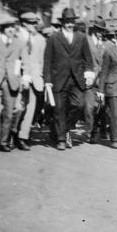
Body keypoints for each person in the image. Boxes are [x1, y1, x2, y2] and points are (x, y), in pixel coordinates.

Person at [43, 8, 94, 151]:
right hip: (59, 79)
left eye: (72, 22)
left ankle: (63, 129)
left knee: (79, 105)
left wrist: (89, 74)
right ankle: (61, 140)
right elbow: (47, 61)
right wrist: (47, 80)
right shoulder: (54, 38)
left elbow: (88, 59)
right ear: (63, 23)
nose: (70, 24)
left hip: (76, 79)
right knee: (59, 109)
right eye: (67, 22)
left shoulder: (82, 37)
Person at [11, 13, 46, 151]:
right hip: (19, 78)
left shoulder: (40, 39)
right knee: (18, 108)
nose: (34, 26)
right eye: (31, 23)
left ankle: (22, 137)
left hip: (35, 78)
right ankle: (10, 132)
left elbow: (42, 60)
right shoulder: (16, 37)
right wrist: (18, 76)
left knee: (31, 108)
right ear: (24, 24)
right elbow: (13, 59)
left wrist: (41, 76)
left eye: (35, 23)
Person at [0, 16, 24, 152]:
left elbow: (22, 61)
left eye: (13, 27)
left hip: (11, 81)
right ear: (3, 29)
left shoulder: (18, 43)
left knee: (9, 113)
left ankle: (4, 140)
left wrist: (19, 78)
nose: (11, 29)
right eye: (8, 27)